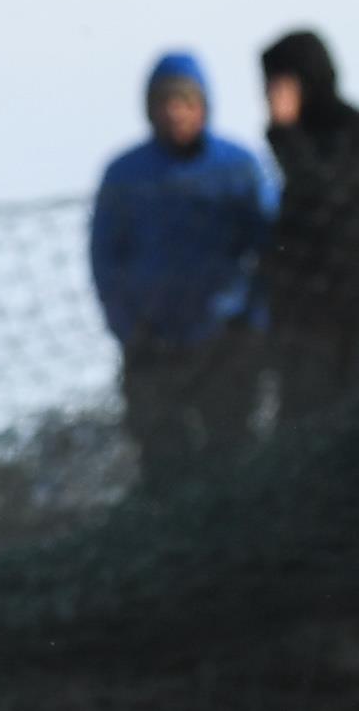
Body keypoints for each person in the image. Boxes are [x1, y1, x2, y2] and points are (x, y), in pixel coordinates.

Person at [88, 51, 273, 490]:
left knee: (235, 456)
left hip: (228, 343)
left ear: (204, 106)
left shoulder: (239, 168)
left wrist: (253, 321)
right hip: (153, 347)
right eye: (165, 102)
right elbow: (104, 261)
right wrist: (130, 329)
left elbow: (271, 245)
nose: (175, 112)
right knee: (164, 465)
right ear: (149, 108)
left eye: (185, 101)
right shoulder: (124, 176)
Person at [260, 29, 359, 423]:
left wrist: (284, 131)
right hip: (306, 329)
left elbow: (322, 196)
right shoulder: (308, 136)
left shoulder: (348, 130)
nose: (269, 95)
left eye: (279, 83)